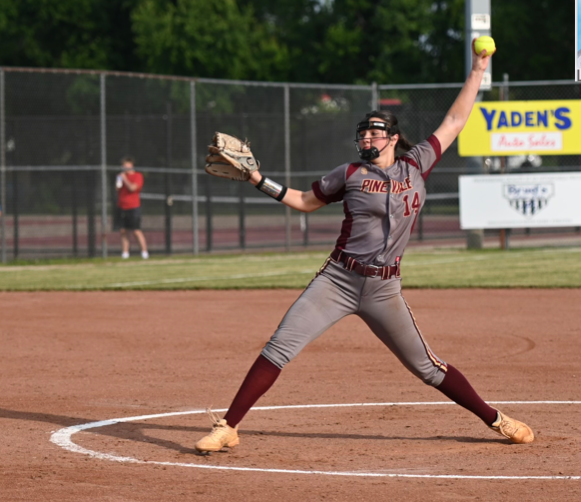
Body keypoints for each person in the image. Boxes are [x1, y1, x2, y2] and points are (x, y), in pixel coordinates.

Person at [195, 41, 534, 453]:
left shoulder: (418, 163)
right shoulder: (350, 173)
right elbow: (305, 201)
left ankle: (495, 419)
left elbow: (456, 118)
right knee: (279, 347)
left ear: (393, 138)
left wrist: (479, 68)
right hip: (337, 280)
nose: (368, 137)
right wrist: (257, 179)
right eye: (363, 133)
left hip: (384, 290)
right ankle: (228, 426)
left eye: (375, 131)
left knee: (427, 368)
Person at [114, 156, 149, 259]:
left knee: (136, 230)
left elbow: (133, 188)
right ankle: (125, 253)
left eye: (126, 166)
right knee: (123, 231)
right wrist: (120, 180)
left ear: (131, 165)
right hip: (121, 207)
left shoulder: (137, 176)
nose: (124, 168)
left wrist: (125, 179)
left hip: (133, 207)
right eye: (123, 166)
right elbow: (117, 188)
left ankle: (144, 252)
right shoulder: (120, 176)